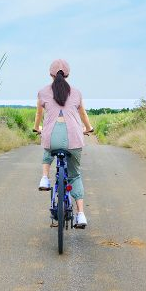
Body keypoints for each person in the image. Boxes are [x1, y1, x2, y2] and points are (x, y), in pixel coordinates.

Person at [33, 59, 94, 228]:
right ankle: (80, 214)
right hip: (74, 137)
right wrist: (89, 128)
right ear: (67, 74)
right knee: (74, 175)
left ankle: (45, 179)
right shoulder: (76, 93)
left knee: (47, 148)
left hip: (51, 137)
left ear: (50, 74)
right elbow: (83, 115)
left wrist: (36, 127)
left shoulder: (42, 92)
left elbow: (39, 115)